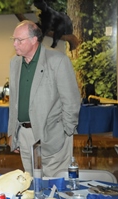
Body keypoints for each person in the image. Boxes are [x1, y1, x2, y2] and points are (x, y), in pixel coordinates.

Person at [7, 20, 81, 177]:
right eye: (13, 39)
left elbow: (72, 101)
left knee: (55, 185)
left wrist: (66, 131)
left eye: (19, 40)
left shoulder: (57, 61)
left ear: (34, 40)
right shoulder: (14, 63)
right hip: (24, 135)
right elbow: (13, 103)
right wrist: (13, 134)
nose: (15, 44)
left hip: (52, 134)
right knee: (31, 184)